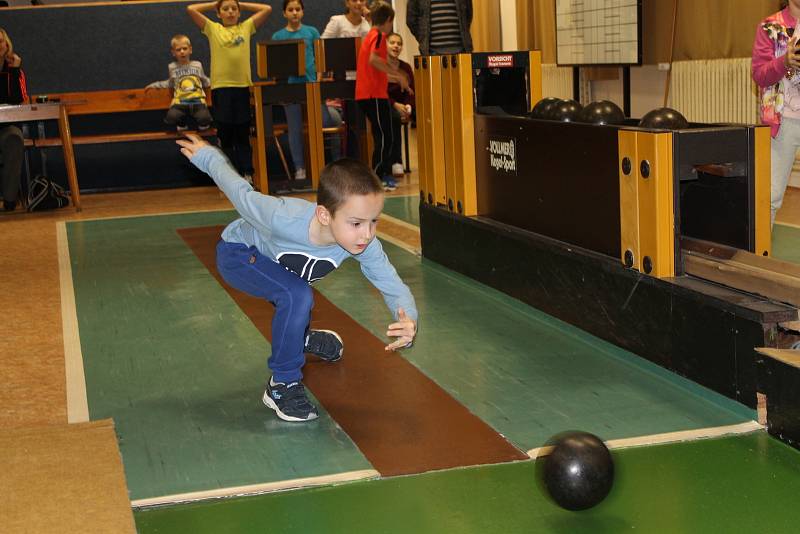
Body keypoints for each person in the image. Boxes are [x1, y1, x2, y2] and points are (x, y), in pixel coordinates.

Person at [176, 133, 418, 422]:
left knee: (294, 293)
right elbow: (242, 195)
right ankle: (282, 385)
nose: (366, 234)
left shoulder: (363, 244)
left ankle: (297, 338)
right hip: (238, 254)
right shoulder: (283, 217)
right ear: (325, 216)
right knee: (295, 294)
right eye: (355, 223)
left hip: (273, 269)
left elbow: (391, 283)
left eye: (373, 221)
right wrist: (209, 157)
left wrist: (408, 320)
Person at [187, 0, 272, 179]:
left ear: (239, 12)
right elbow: (191, 9)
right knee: (225, 132)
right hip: (221, 88)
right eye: (226, 9)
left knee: (242, 131)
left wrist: (240, 3)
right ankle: (226, 175)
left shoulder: (246, 27)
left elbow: (267, 9)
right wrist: (216, 4)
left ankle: (247, 172)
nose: (230, 12)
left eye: (234, 9)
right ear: (219, 14)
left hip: (242, 87)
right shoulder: (213, 28)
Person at [272, 0, 342, 185]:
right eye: (290, 10)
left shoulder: (312, 32)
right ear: (284, 13)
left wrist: (318, 78)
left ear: (302, 12)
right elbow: (275, 64)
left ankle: (325, 167)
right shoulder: (278, 36)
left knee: (324, 122)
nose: (294, 13)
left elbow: (320, 57)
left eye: (297, 9)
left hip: (311, 85)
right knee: (294, 129)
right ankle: (300, 168)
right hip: (290, 87)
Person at [753, 0, 800, 227]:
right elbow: (760, 75)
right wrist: (785, 61)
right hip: (782, 123)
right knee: (770, 197)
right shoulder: (770, 26)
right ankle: (761, 256)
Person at [355, 1, 411, 191]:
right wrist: (397, 74)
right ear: (388, 21)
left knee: (383, 134)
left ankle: (380, 175)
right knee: (385, 136)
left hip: (370, 94)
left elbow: (375, 69)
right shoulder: (378, 36)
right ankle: (378, 177)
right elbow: (374, 60)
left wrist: (396, 79)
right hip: (373, 96)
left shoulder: (372, 34)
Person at [146, 35, 213, 131]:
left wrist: (216, 83)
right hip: (180, 102)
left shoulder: (197, 65)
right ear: (173, 52)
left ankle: (204, 124)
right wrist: (155, 85)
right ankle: (182, 124)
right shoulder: (172, 67)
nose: (182, 52)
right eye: (178, 50)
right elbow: (170, 83)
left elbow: (205, 80)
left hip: (197, 101)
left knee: (205, 118)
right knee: (171, 117)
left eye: (184, 48)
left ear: (190, 50)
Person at [0, 28, 27, 212]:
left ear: (7, 45)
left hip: (6, 127)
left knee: (15, 138)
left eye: (1, 41)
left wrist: (15, 70)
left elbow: (19, 99)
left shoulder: (14, 70)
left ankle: (10, 199)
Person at [386, 32, 414, 179]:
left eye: (399, 43)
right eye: (392, 42)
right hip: (386, 103)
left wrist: (408, 106)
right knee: (394, 117)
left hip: (403, 105)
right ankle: (396, 161)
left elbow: (411, 91)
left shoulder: (406, 67)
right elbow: (380, 92)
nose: (396, 46)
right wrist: (395, 105)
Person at [406, 0, 473, 56]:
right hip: (431, 53)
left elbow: (468, 16)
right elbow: (411, 20)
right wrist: (423, 38)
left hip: (462, 51)